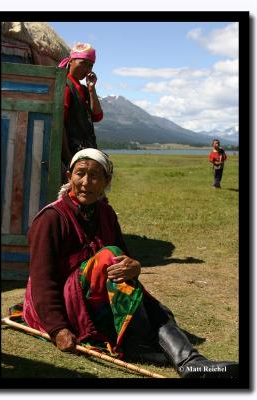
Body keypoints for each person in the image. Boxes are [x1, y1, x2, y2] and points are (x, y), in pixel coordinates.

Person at [23, 148, 239, 379]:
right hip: (64, 304)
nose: (86, 182)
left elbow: (125, 258)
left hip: (96, 298)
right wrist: (58, 329)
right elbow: (41, 280)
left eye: (95, 175)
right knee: (109, 257)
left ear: (107, 181)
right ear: (69, 177)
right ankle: (144, 348)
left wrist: (135, 266)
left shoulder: (105, 213)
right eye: (80, 173)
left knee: (158, 311)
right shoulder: (51, 219)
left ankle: (192, 363)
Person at [58, 43, 103, 168]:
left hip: (83, 152)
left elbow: (97, 116)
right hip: (72, 154)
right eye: (83, 63)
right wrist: (69, 160)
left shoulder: (83, 89)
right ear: (71, 61)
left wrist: (91, 89)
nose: (87, 70)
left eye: (90, 66)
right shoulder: (65, 86)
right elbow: (59, 125)